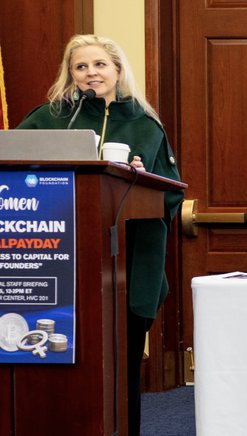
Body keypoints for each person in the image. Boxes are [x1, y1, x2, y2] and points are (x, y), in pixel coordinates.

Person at [16, 34, 183, 436]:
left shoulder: (145, 124)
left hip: (129, 269)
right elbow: (12, 169)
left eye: (99, 65)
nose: (91, 73)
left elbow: (172, 196)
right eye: (81, 67)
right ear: (70, 75)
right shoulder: (49, 116)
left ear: (118, 70)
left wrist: (142, 179)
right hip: (59, 267)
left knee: (120, 370)